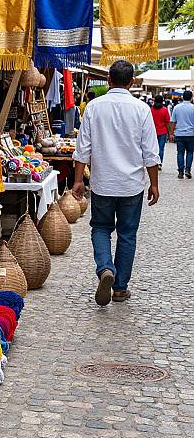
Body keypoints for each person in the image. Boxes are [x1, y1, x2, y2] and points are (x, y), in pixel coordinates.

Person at [72, 60, 160, 306]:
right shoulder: (141, 109)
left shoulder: (94, 107)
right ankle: (120, 288)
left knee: (100, 228)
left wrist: (78, 180)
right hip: (132, 184)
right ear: (131, 83)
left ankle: (105, 269)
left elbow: (83, 148)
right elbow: (150, 153)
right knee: (127, 234)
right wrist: (154, 184)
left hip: (103, 183)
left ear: (108, 80)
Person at [170, 90, 194, 179]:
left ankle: (180, 172)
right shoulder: (193, 108)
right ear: (191, 98)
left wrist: (172, 133)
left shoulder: (177, 107)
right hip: (191, 134)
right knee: (190, 152)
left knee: (180, 153)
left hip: (179, 134)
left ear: (182, 97)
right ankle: (187, 170)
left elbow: (172, 121)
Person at [150, 95, 171, 169]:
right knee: (161, 148)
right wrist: (170, 133)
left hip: (153, 132)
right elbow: (167, 122)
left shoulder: (151, 109)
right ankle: (159, 163)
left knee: (153, 148)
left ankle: (153, 163)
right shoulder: (164, 110)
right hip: (163, 132)